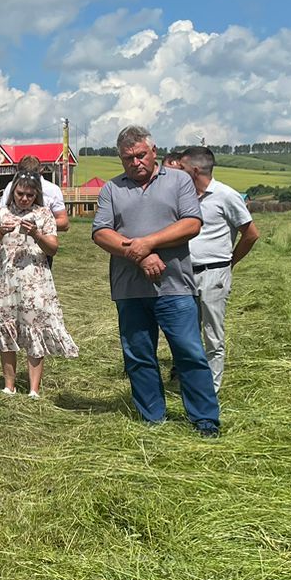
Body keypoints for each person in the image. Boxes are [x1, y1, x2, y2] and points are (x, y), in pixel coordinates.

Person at [92, 125, 220, 435]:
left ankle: (204, 419)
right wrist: (140, 254)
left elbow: (191, 224)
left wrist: (148, 243)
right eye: (127, 158)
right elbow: (100, 233)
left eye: (139, 155)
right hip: (129, 288)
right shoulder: (111, 189)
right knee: (138, 355)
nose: (134, 163)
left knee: (188, 351)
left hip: (175, 286)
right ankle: (152, 418)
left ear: (154, 152)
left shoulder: (178, 181)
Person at [0, 172, 79, 397]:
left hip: (34, 281)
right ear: (12, 192)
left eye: (29, 194)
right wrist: (0, 231)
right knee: (6, 327)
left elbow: (53, 249)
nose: (24, 199)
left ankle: (34, 388)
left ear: (36, 194)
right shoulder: (1, 213)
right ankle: (9, 385)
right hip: (6, 281)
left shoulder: (44, 214)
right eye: (20, 194)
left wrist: (36, 233)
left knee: (33, 328)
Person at [179, 146, 259, 392]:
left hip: (215, 273)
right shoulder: (184, 197)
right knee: (186, 332)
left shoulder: (226, 196)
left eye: (181, 168)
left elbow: (251, 234)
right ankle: (191, 381)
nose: (177, 173)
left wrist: (230, 261)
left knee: (213, 333)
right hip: (184, 273)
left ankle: (211, 388)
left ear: (194, 170)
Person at [0, 154, 70, 232]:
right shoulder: (11, 186)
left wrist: (39, 224)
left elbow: (64, 223)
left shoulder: (52, 190)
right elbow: (0, 215)